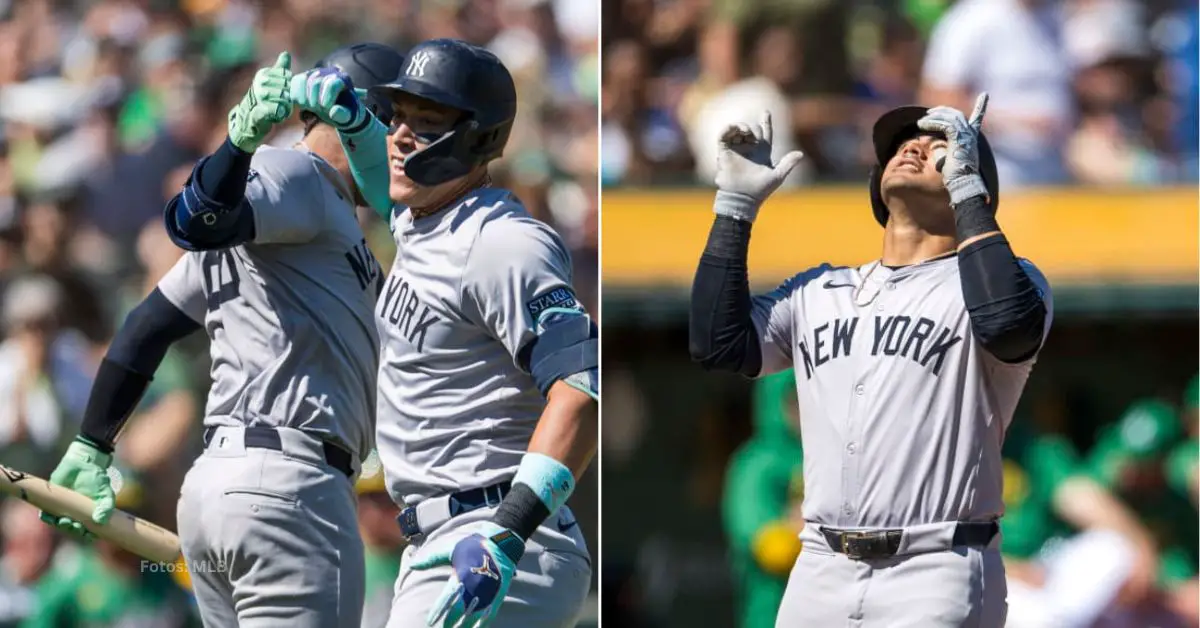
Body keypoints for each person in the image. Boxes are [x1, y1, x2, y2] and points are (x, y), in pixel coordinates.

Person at [38, 43, 405, 627]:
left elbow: (147, 326)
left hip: (221, 490)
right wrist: (238, 144)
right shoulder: (298, 176)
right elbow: (194, 219)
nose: (404, 145)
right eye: (400, 122)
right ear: (363, 113)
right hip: (292, 490)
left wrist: (93, 442)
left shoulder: (300, 216)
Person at [688, 93, 1053, 627]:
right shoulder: (819, 288)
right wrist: (734, 210)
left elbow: (1008, 326)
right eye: (905, 144)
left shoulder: (1010, 283)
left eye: (938, 149)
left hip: (936, 566)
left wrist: (968, 191)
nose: (914, 149)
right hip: (819, 567)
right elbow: (718, 344)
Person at [290, 38, 598, 628]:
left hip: (500, 539)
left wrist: (506, 534)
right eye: (397, 115)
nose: (401, 135)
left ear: (478, 139)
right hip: (436, 540)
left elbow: (582, 388)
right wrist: (349, 118)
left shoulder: (504, 243)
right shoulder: (423, 217)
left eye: (426, 123)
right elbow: (383, 175)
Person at [722, 370, 804, 628]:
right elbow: (772, 549)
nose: (803, 410)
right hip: (769, 615)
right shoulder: (754, 464)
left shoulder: (833, 456)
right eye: (794, 399)